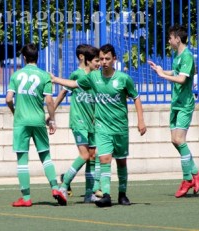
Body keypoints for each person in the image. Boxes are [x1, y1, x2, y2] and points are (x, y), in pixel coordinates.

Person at [51, 43, 147, 207]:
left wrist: (141, 120)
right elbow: (72, 85)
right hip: (97, 126)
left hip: (118, 127)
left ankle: (121, 194)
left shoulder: (123, 79)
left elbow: (136, 97)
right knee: (103, 159)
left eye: (106, 59)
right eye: (100, 59)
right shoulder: (92, 77)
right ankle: (104, 194)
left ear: (114, 59)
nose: (103, 62)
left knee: (119, 161)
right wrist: (54, 79)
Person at [6, 43, 66, 207]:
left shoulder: (16, 75)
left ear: (24, 58)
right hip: (38, 120)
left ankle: (26, 198)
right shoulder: (44, 75)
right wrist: (52, 119)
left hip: (21, 122)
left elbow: (8, 99)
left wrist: (14, 111)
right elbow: (48, 100)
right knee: (45, 156)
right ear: (37, 57)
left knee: (22, 160)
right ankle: (55, 188)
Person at [148, 24, 199, 198]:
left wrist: (165, 77)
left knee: (179, 139)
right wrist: (161, 70)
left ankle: (187, 178)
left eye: (170, 38)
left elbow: (181, 79)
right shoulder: (177, 56)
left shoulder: (187, 56)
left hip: (185, 104)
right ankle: (195, 173)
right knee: (174, 140)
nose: (169, 41)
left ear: (177, 38)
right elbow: (176, 72)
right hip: (176, 103)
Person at [50, 44, 102, 204]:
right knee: (85, 155)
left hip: (92, 122)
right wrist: (52, 114)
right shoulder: (76, 74)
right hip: (78, 121)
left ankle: (88, 194)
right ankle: (64, 186)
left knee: (92, 156)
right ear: (85, 60)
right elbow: (64, 91)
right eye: (96, 61)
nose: (99, 63)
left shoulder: (96, 77)